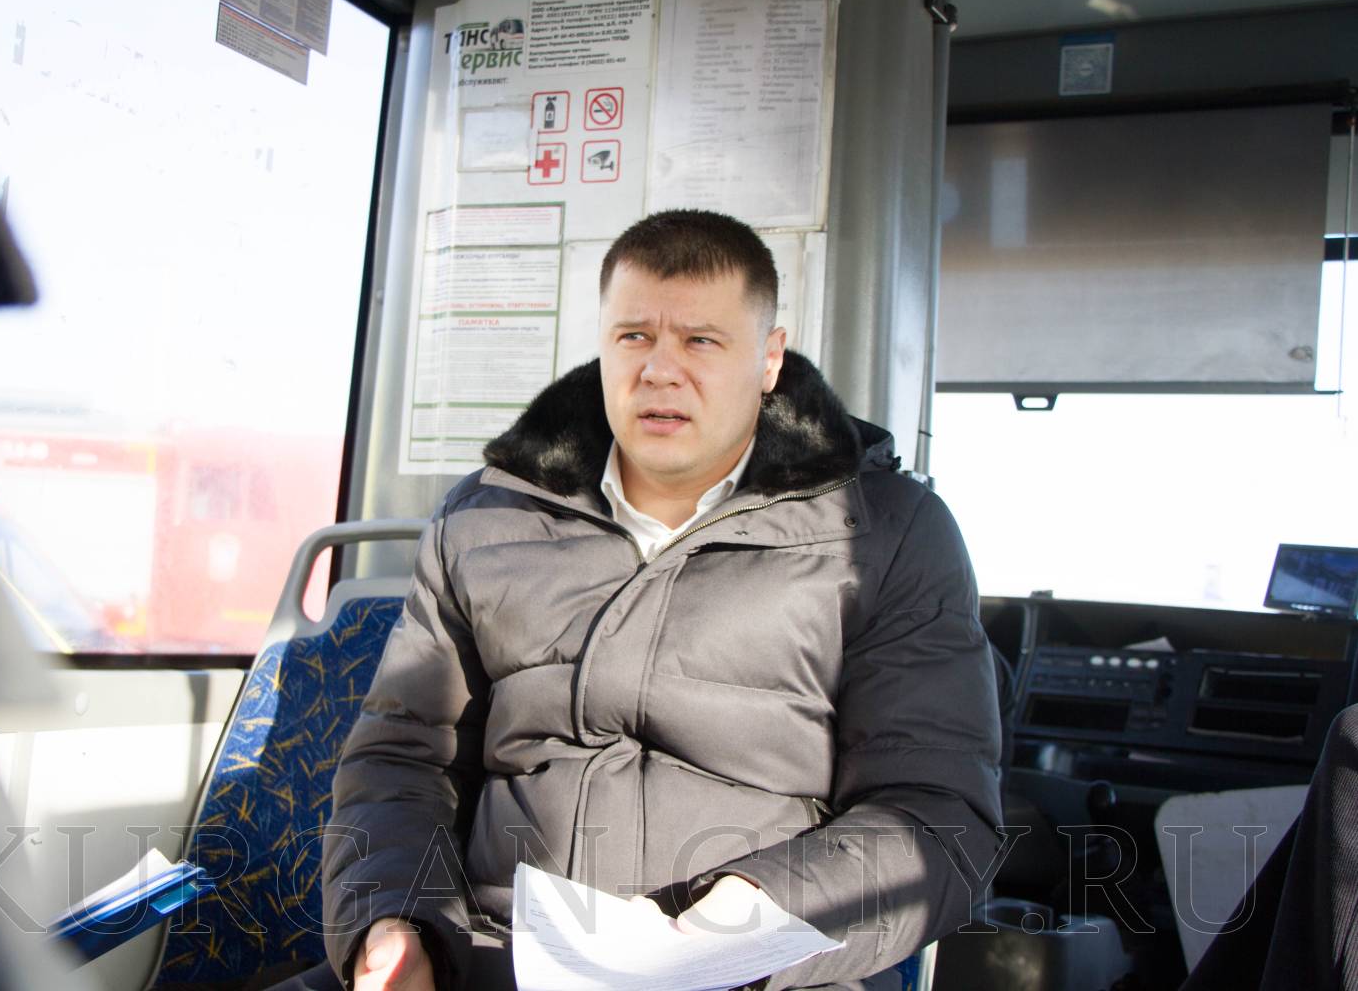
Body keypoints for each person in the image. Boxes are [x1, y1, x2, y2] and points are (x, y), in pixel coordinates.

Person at [310, 210, 1003, 991]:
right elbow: (404, 760)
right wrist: (397, 925)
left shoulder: (885, 535)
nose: (660, 371)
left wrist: (748, 919)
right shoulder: (484, 519)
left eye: (701, 341)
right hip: (487, 959)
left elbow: (935, 811)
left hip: (753, 967)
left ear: (769, 359)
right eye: (634, 336)